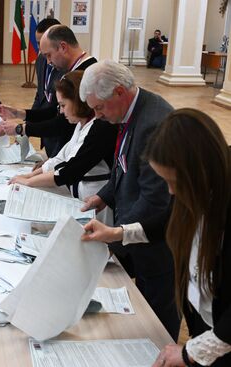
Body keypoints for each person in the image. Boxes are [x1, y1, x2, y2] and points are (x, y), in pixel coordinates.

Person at [81, 109, 231, 366]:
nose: (171, 192)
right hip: (206, 324)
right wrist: (117, 233)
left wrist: (191, 352)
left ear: (200, 170)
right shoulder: (195, 186)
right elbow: (167, 221)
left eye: (175, 182)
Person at [79, 59, 180, 340]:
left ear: (120, 92)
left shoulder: (153, 124)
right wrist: (102, 196)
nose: (97, 115)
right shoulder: (129, 113)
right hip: (133, 228)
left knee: (159, 315)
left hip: (157, 245)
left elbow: (155, 200)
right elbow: (123, 167)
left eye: (99, 107)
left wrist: (116, 237)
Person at [9, 70, 116, 224]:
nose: (61, 111)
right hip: (80, 189)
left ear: (79, 101)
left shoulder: (99, 127)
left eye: (63, 105)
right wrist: (28, 176)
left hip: (95, 197)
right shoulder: (81, 123)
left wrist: (29, 182)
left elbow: (69, 170)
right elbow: (60, 158)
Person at [0, 25, 97, 157]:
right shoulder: (70, 71)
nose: (48, 62)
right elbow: (54, 111)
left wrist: (21, 129)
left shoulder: (87, 73)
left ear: (63, 47)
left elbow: (63, 124)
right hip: (64, 153)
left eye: (49, 55)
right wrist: (19, 113)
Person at [31, 18, 62, 156]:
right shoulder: (41, 61)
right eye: (38, 43)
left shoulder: (66, 68)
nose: (40, 49)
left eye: (42, 44)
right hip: (47, 136)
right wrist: (28, 125)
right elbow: (40, 96)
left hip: (60, 137)